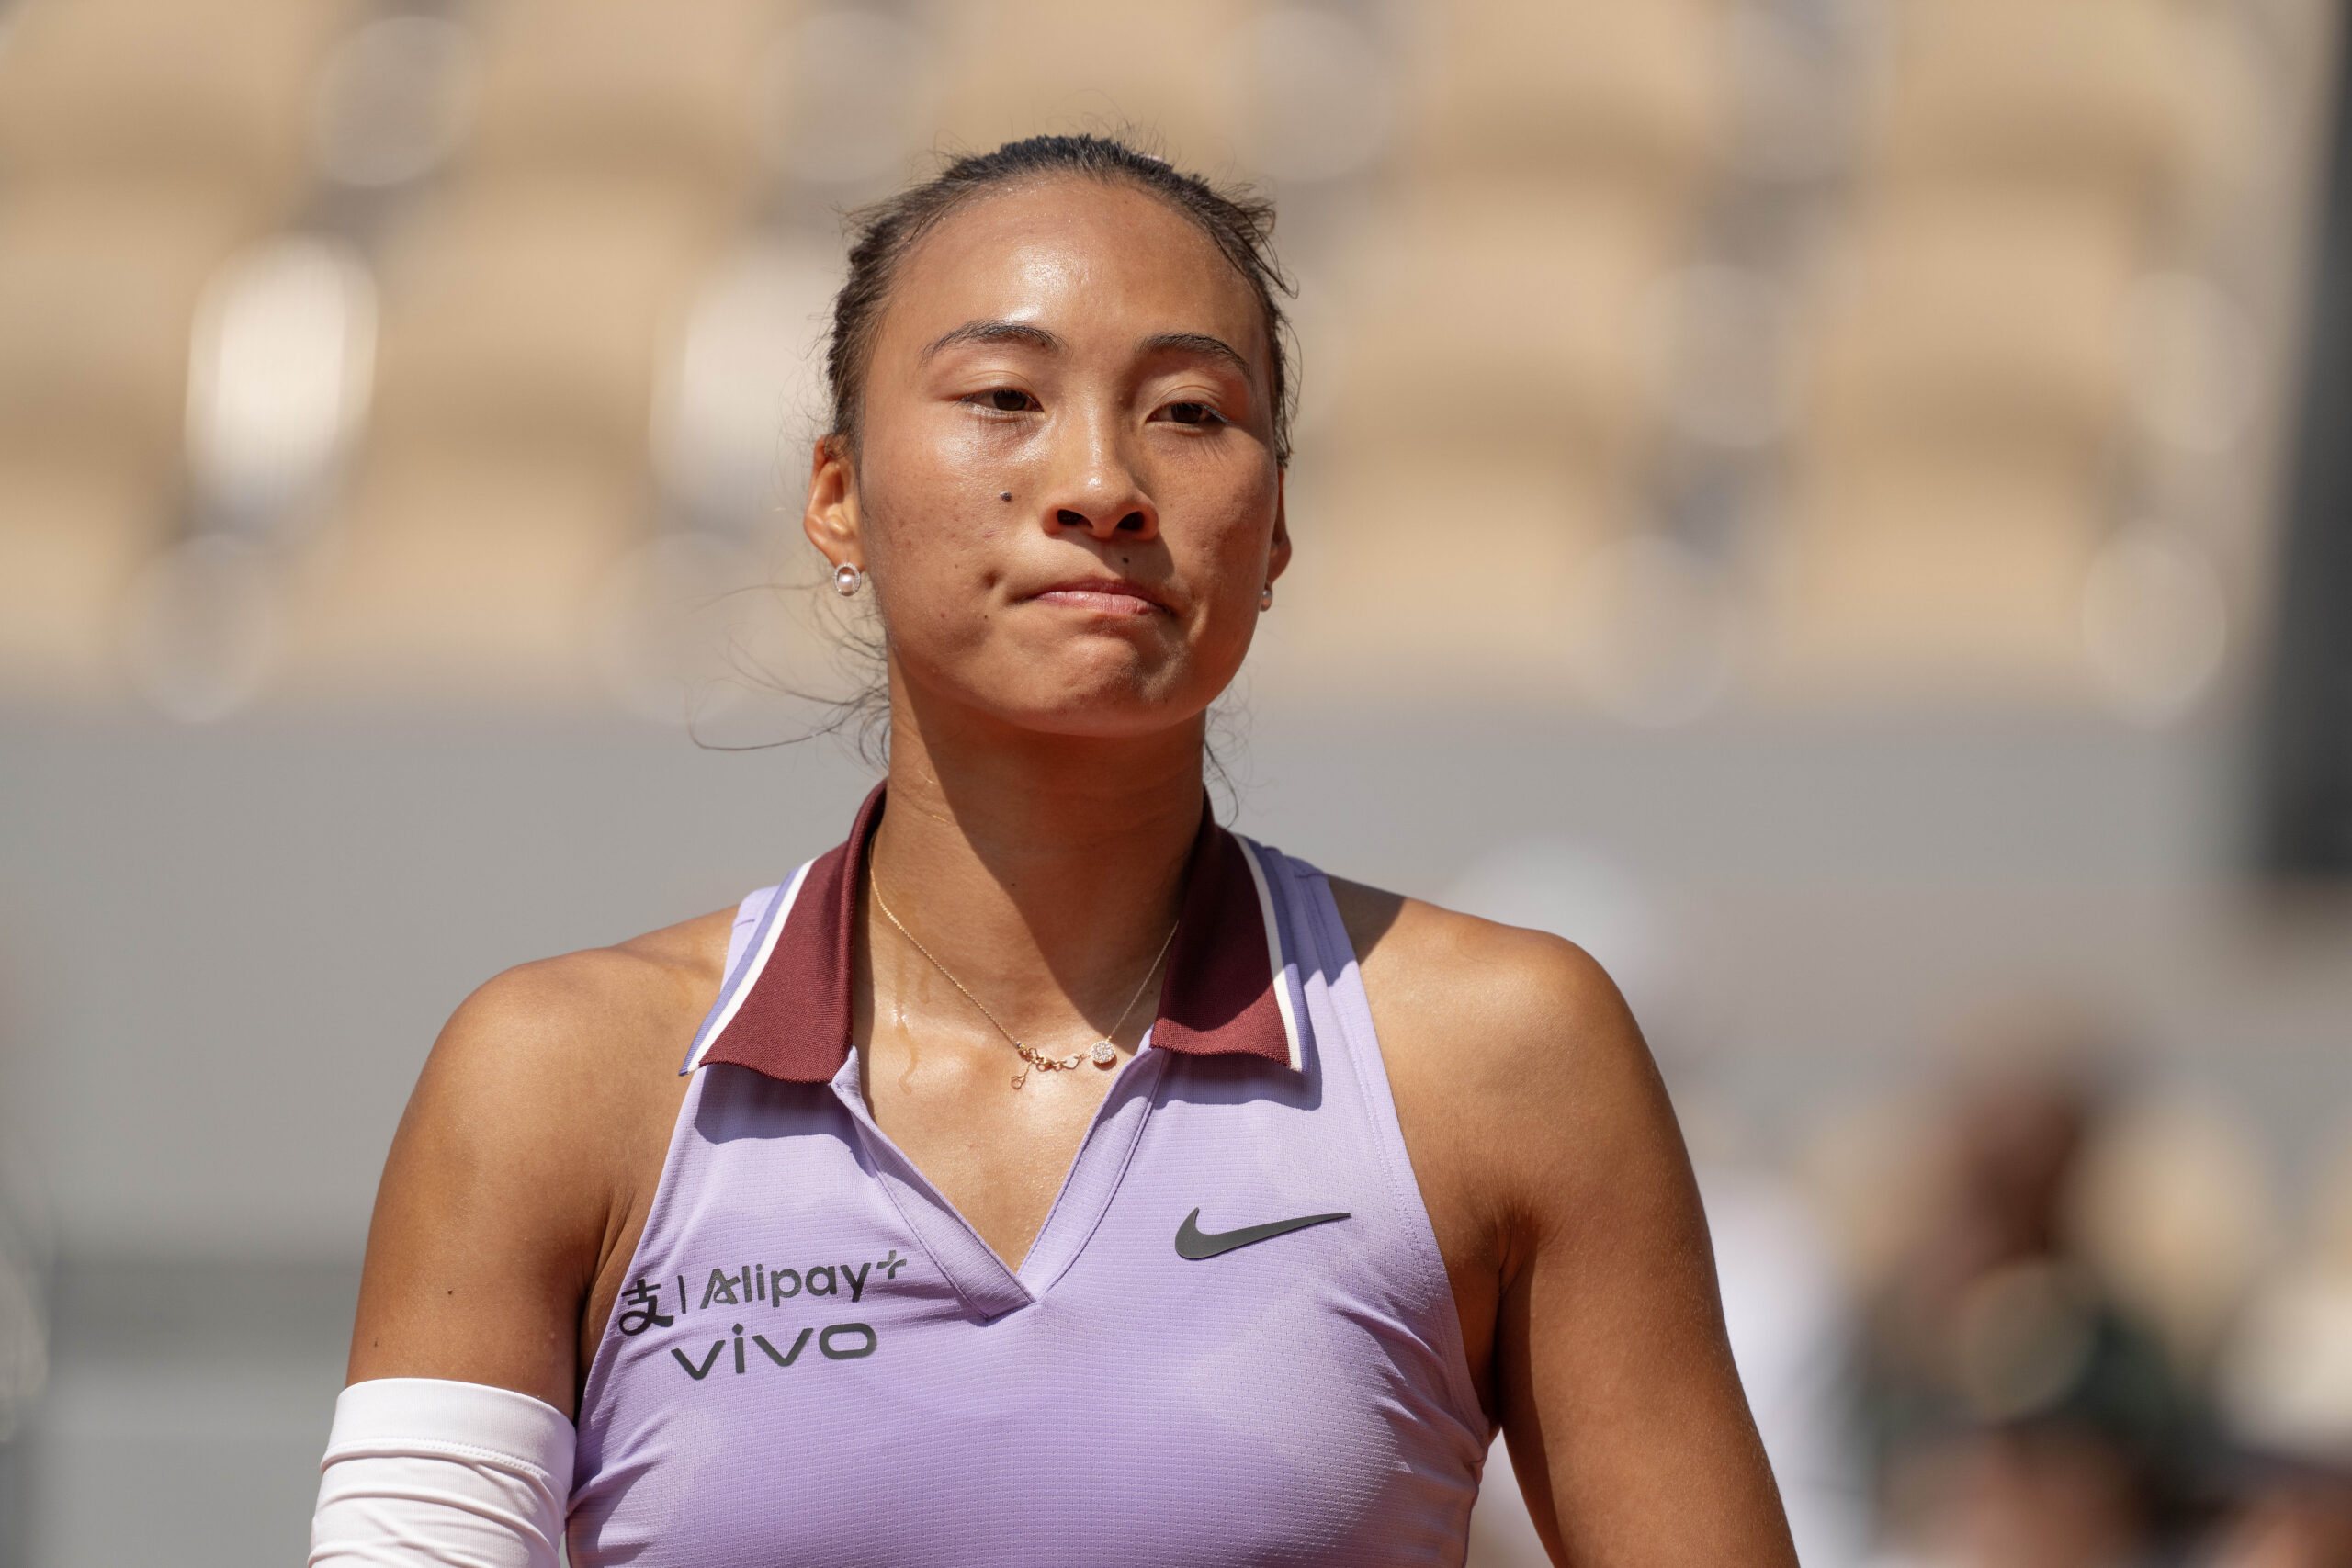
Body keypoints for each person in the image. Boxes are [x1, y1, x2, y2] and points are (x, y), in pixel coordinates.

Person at [309, 134, 1795, 1568]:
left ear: (1276, 527)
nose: (1101, 482)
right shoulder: (550, 1082)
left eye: (1190, 412)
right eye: (1005, 396)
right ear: (837, 497)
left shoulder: (1507, 1055)